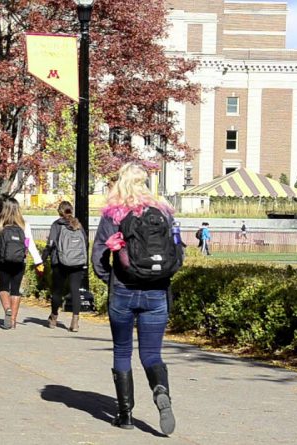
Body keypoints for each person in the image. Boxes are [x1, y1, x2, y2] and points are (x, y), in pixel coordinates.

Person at [91, 162, 178, 435]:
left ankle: (125, 413)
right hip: (156, 292)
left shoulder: (112, 215)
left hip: (123, 292)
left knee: (122, 351)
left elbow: (98, 260)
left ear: (119, 182)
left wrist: (114, 279)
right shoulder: (163, 213)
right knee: (152, 352)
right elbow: (178, 256)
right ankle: (160, 390)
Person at [0, 198, 43, 330]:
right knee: (15, 290)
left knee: (4, 288)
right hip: (20, 261)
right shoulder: (24, 224)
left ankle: (7, 309)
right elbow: (29, 244)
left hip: (3, 260)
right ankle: (13, 321)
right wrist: (38, 261)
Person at [43, 201, 87, 332]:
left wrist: (43, 259)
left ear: (60, 211)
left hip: (60, 262)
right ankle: (75, 321)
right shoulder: (78, 224)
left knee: (57, 290)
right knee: (75, 290)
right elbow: (85, 242)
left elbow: (50, 244)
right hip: (77, 263)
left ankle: (54, 317)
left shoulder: (57, 225)